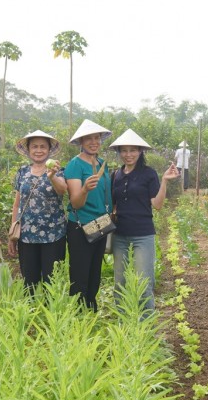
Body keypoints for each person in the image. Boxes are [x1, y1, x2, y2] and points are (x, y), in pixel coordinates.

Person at [109, 129, 179, 312]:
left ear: (140, 152)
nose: (128, 154)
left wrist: (164, 181)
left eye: (133, 150)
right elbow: (112, 206)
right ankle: (122, 317)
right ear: (119, 153)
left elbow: (157, 204)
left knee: (144, 280)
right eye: (124, 150)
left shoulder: (148, 174)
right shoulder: (115, 175)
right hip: (120, 235)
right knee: (119, 281)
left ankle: (146, 320)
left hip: (143, 234)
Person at [9, 131, 68, 291]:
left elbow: (63, 190)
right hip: (27, 235)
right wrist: (12, 232)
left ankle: (53, 314)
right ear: (28, 150)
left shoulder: (58, 170)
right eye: (34, 146)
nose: (39, 150)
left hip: (53, 234)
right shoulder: (22, 172)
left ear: (49, 150)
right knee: (30, 282)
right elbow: (17, 204)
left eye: (43, 146)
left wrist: (52, 176)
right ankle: (32, 314)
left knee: (53, 281)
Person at [65, 119, 113, 310]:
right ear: (81, 142)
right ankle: (78, 314)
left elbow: (106, 194)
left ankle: (91, 309)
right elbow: (76, 202)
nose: (94, 142)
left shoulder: (101, 163)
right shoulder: (75, 165)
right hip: (81, 225)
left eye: (97, 138)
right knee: (79, 273)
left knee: (95, 271)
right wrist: (84, 189)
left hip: (100, 223)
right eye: (89, 139)